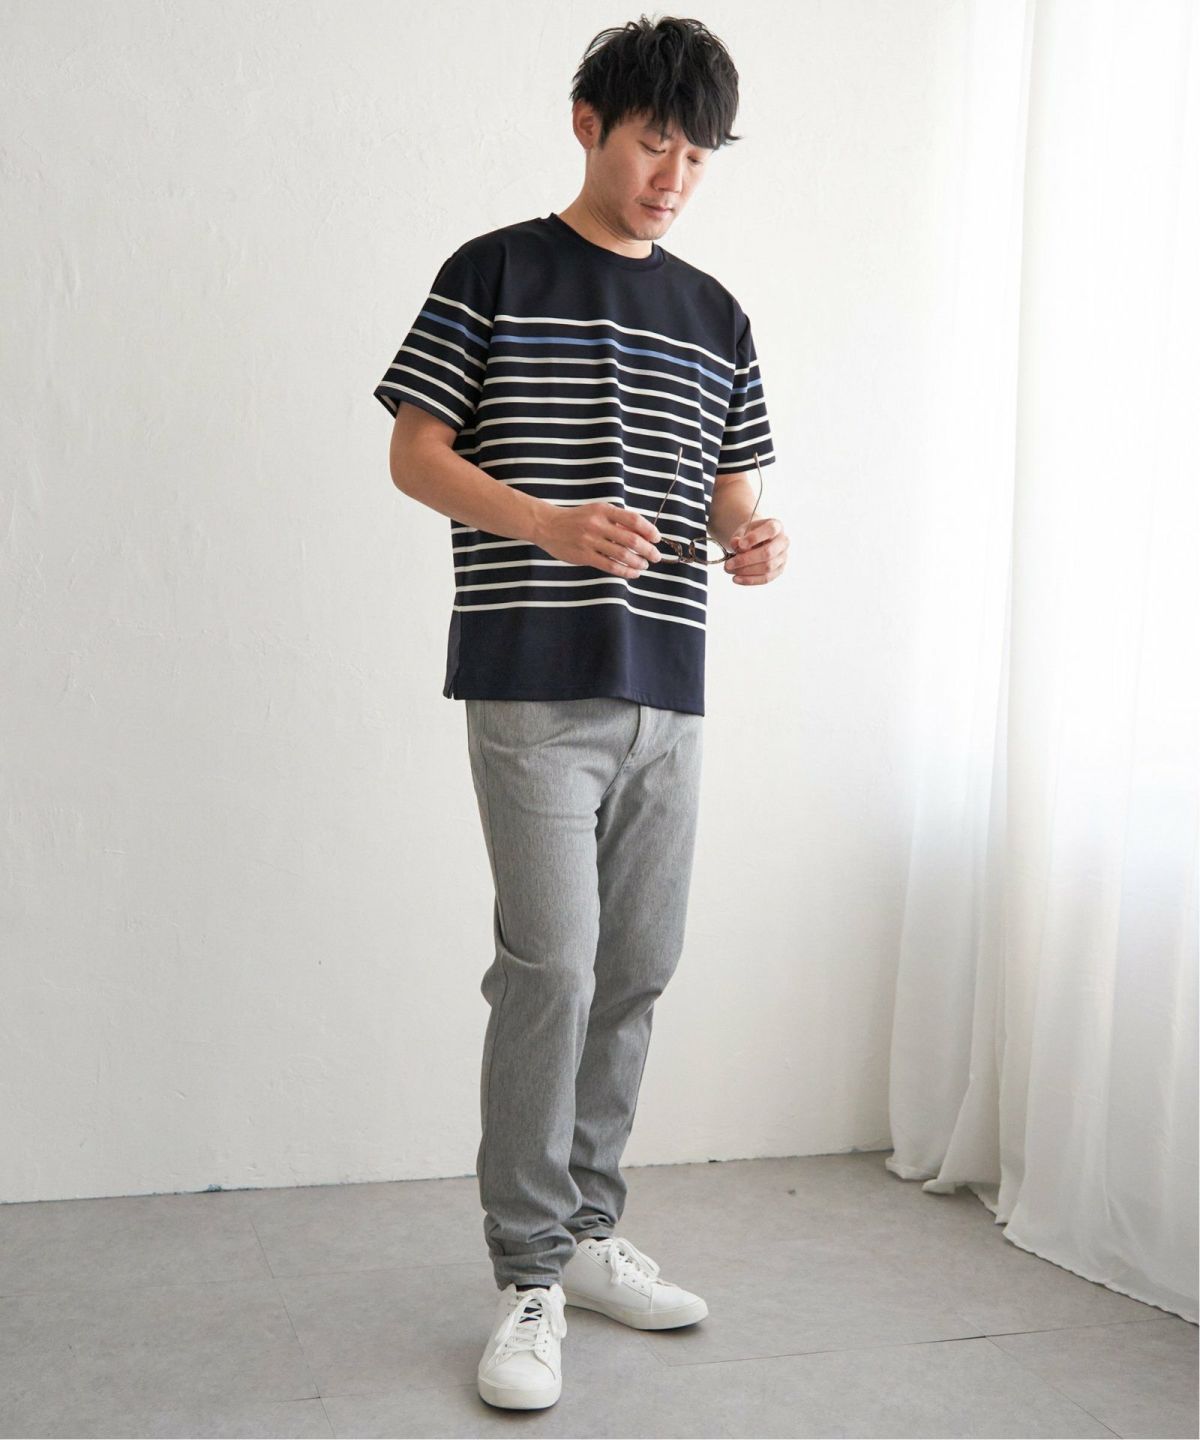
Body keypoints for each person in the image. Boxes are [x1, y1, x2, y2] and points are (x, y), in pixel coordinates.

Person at [372, 14, 787, 1411]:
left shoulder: (718, 314)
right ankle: (529, 1273)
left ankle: (594, 1228)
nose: (674, 175)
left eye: (698, 154)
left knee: (638, 967)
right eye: (654, 142)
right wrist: (546, 522)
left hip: (670, 690)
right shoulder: (492, 270)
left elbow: (731, 490)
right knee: (550, 967)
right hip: (532, 685)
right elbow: (414, 455)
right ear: (588, 125)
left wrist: (751, 538)